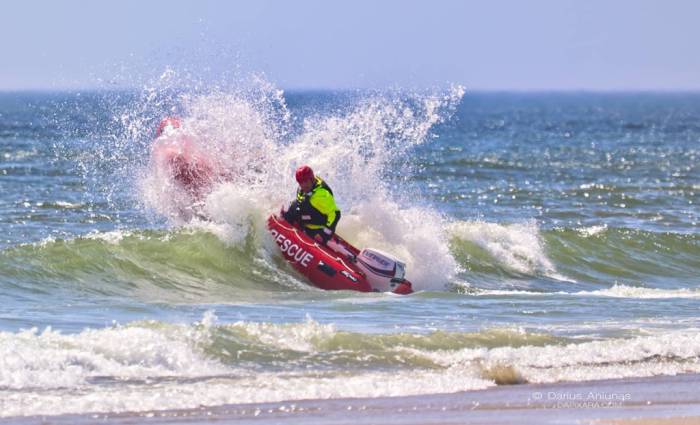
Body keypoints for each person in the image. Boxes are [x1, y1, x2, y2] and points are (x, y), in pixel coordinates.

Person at [283, 165, 341, 244]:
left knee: (301, 206)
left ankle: (323, 237)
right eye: (301, 182)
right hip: (307, 220)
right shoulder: (304, 188)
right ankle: (285, 223)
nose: (303, 185)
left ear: (312, 179)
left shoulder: (322, 195)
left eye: (306, 181)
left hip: (319, 229)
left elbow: (335, 214)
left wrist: (324, 233)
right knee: (293, 206)